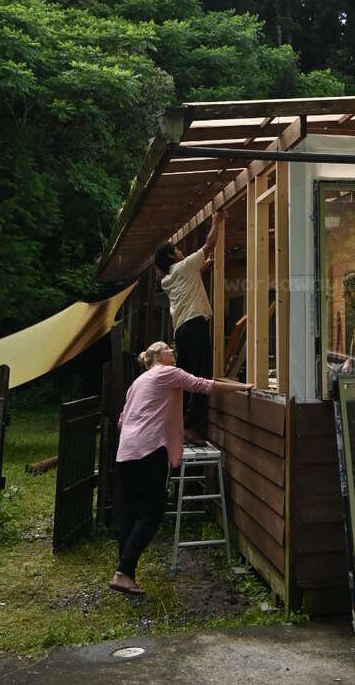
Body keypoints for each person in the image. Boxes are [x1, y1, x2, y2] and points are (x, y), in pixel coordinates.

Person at [110, 340, 252, 596]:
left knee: (130, 512)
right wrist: (242, 386)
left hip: (125, 452)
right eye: (167, 348)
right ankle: (124, 572)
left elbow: (122, 419)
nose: (173, 351)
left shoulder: (138, 382)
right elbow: (202, 385)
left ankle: (125, 570)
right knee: (152, 512)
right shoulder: (166, 372)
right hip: (149, 450)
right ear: (156, 357)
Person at [154, 210, 225, 432]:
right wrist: (216, 221)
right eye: (176, 250)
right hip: (195, 325)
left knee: (185, 377)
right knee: (201, 375)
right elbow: (210, 243)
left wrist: (202, 266)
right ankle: (192, 428)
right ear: (170, 257)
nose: (180, 251)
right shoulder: (183, 268)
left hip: (181, 331)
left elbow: (187, 275)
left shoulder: (167, 279)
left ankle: (178, 423)